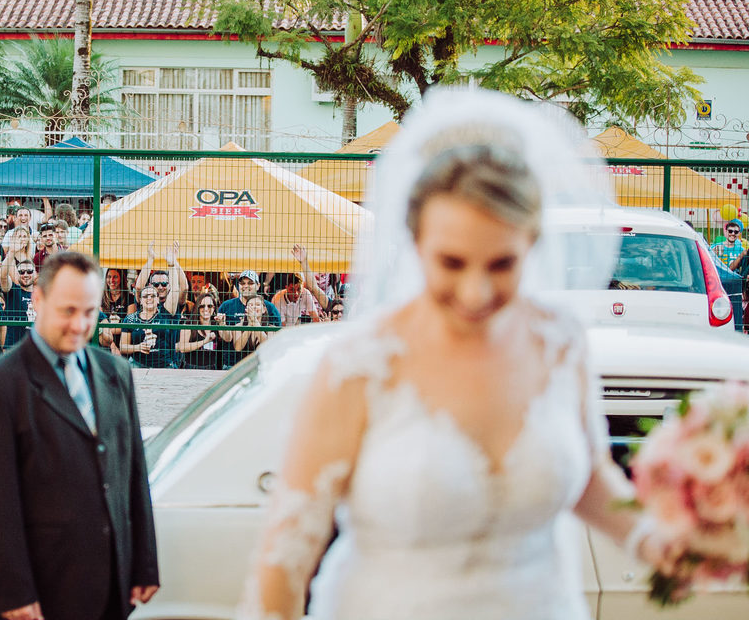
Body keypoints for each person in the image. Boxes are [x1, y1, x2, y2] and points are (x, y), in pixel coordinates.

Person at [240, 90, 684, 620]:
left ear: (532, 245)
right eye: (451, 263)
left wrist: (658, 541)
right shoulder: (360, 365)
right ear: (414, 243)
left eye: (502, 264)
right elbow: (284, 558)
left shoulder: (560, 343)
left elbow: (589, 477)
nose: (476, 292)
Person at [0, 251, 159, 620]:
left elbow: (132, 471)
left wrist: (144, 563)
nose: (80, 325)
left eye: (89, 312)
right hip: (38, 596)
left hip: (110, 588)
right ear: (38, 299)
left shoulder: (116, 372)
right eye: (68, 311)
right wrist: (14, 592)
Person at [119, 284, 179, 368]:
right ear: (140, 300)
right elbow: (123, 347)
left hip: (164, 365)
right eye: (145, 296)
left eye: (153, 296)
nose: (149, 298)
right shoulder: (130, 319)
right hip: (137, 364)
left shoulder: (166, 315)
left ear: (158, 299)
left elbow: (177, 290)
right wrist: (138, 347)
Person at [176, 293, 227, 370]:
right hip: (190, 368)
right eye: (202, 306)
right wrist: (204, 341)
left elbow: (228, 338)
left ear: (214, 308)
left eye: (209, 306)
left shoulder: (216, 324)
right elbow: (182, 348)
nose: (206, 309)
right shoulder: (189, 324)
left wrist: (222, 323)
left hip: (212, 368)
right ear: (197, 308)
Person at [0, 258, 37, 349]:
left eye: (29, 271)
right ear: (17, 274)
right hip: (14, 347)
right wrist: (12, 252)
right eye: (21, 272)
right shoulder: (12, 290)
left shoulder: (41, 295)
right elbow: (3, 276)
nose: (25, 275)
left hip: (35, 347)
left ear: (35, 273)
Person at [227, 294, 271, 366]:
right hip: (244, 366)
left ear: (264, 310)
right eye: (251, 305)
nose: (254, 307)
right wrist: (250, 325)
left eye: (257, 304)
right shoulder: (238, 326)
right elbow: (238, 348)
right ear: (246, 310)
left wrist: (255, 322)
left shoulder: (271, 329)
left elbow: (268, 346)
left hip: (264, 365)